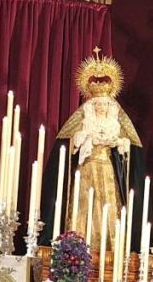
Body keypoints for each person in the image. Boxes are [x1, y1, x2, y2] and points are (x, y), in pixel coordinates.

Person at [51, 52, 142, 251]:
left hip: (106, 168)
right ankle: (78, 244)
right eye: (97, 103)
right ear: (91, 105)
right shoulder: (85, 121)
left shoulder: (114, 123)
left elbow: (129, 145)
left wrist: (120, 143)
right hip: (87, 167)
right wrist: (83, 138)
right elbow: (70, 143)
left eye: (104, 103)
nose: (101, 106)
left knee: (107, 204)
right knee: (84, 205)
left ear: (110, 105)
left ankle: (109, 246)